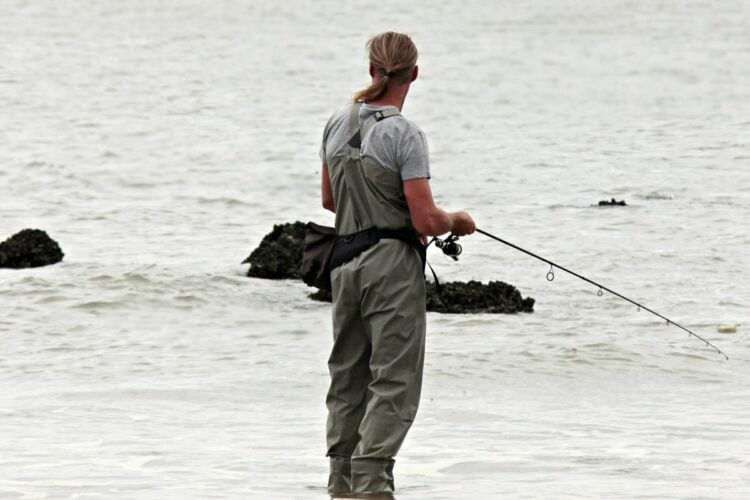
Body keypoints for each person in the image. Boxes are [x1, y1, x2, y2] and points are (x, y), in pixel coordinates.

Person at [318, 31, 475, 499]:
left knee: (348, 376)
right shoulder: (403, 133)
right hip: (390, 267)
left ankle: (340, 483)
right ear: (415, 74)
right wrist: (459, 221)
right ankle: (372, 483)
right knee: (394, 379)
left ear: (372, 70)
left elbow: (330, 201)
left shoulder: (335, 123)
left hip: (343, 264)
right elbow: (427, 218)